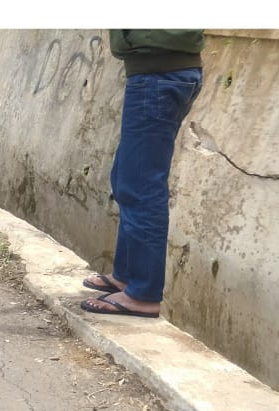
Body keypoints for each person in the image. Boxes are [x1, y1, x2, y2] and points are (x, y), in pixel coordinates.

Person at [81, 30, 205, 318]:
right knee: (126, 177)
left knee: (141, 186)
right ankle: (126, 275)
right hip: (160, 71)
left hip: (159, 75)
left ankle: (144, 294)